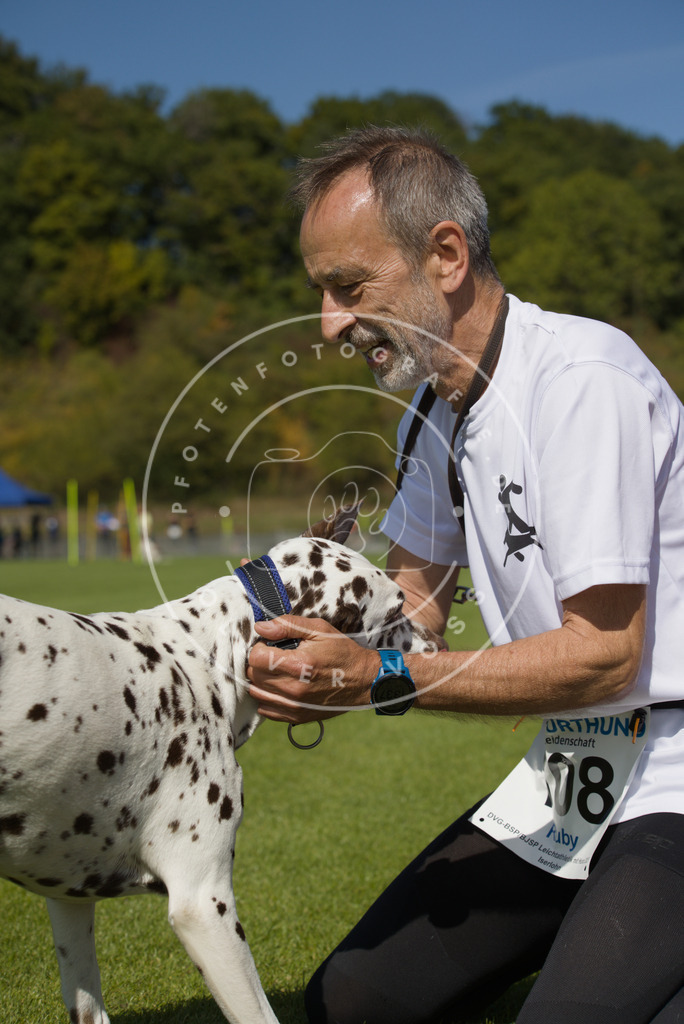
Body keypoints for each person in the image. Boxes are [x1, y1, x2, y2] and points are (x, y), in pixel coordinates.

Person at [247, 127, 684, 1024]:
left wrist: (381, 679)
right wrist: (288, 612)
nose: (330, 322)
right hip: (576, 764)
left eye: (348, 287)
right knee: (352, 1002)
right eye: (321, 293)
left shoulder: (579, 381)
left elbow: (605, 657)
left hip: (675, 765)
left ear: (445, 255)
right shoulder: (429, 411)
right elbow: (413, 613)